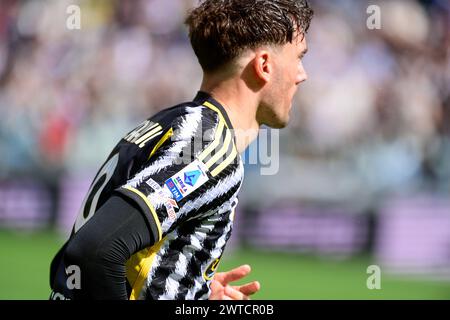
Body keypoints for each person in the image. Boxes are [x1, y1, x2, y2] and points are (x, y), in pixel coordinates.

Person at [49, 0, 313, 300]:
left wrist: (189, 288)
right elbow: (95, 249)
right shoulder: (208, 146)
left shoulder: (174, 121)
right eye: (299, 58)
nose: (302, 75)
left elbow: (127, 257)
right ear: (264, 65)